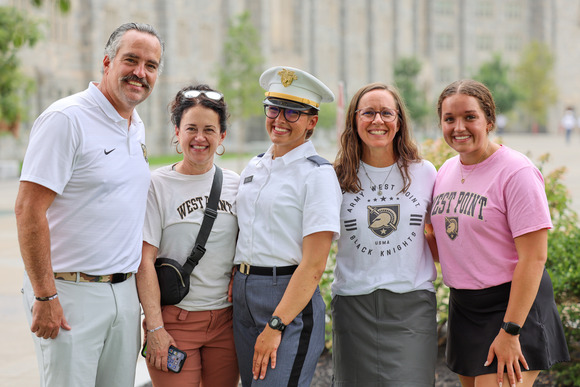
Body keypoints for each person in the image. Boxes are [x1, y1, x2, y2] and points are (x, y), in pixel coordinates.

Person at [14, 23, 164, 387]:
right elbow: (27, 210)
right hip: (69, 295)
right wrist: (45, 294)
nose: (140, 73)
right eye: (131, 60)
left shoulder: (135, 124)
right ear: (107, 62)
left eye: (151, 65)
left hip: (124, 296)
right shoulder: (66, 119)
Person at [431, 79, 570, 387]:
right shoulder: (445, 172)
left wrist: (511, 329)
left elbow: (534, 258)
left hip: (510, 305)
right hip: (465, 306)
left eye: (470, 117)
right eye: (449, 119)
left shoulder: (516, 172)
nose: (458, 127)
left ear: (489, 120)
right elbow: (448, 245)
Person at [232, 66, 342, 386]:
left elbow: (313, 265)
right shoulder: (255, 166)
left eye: (293, 112)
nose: (280, 119)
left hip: (287, 298)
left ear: (312, 121)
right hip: (243, 295)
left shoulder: (317, 175)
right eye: (274, 108)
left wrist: (277, 324)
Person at [331, 82, 438, 386]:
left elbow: (437, 234)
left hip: (412, 304)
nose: (377, 121)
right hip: (354, 305)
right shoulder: (335, 178)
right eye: (368, 113)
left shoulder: (424, 172)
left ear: (399, 121)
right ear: (354, 120)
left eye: (386, 113)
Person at [136, 84, 240, 386]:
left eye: (209, 129)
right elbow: (145, 261)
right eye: (191, 128)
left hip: (226, 323)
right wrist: (154, 326)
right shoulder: (157, 185)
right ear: (177, 132)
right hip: (174, 323)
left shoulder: (237, 184)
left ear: (221, 136)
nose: (199, 137)